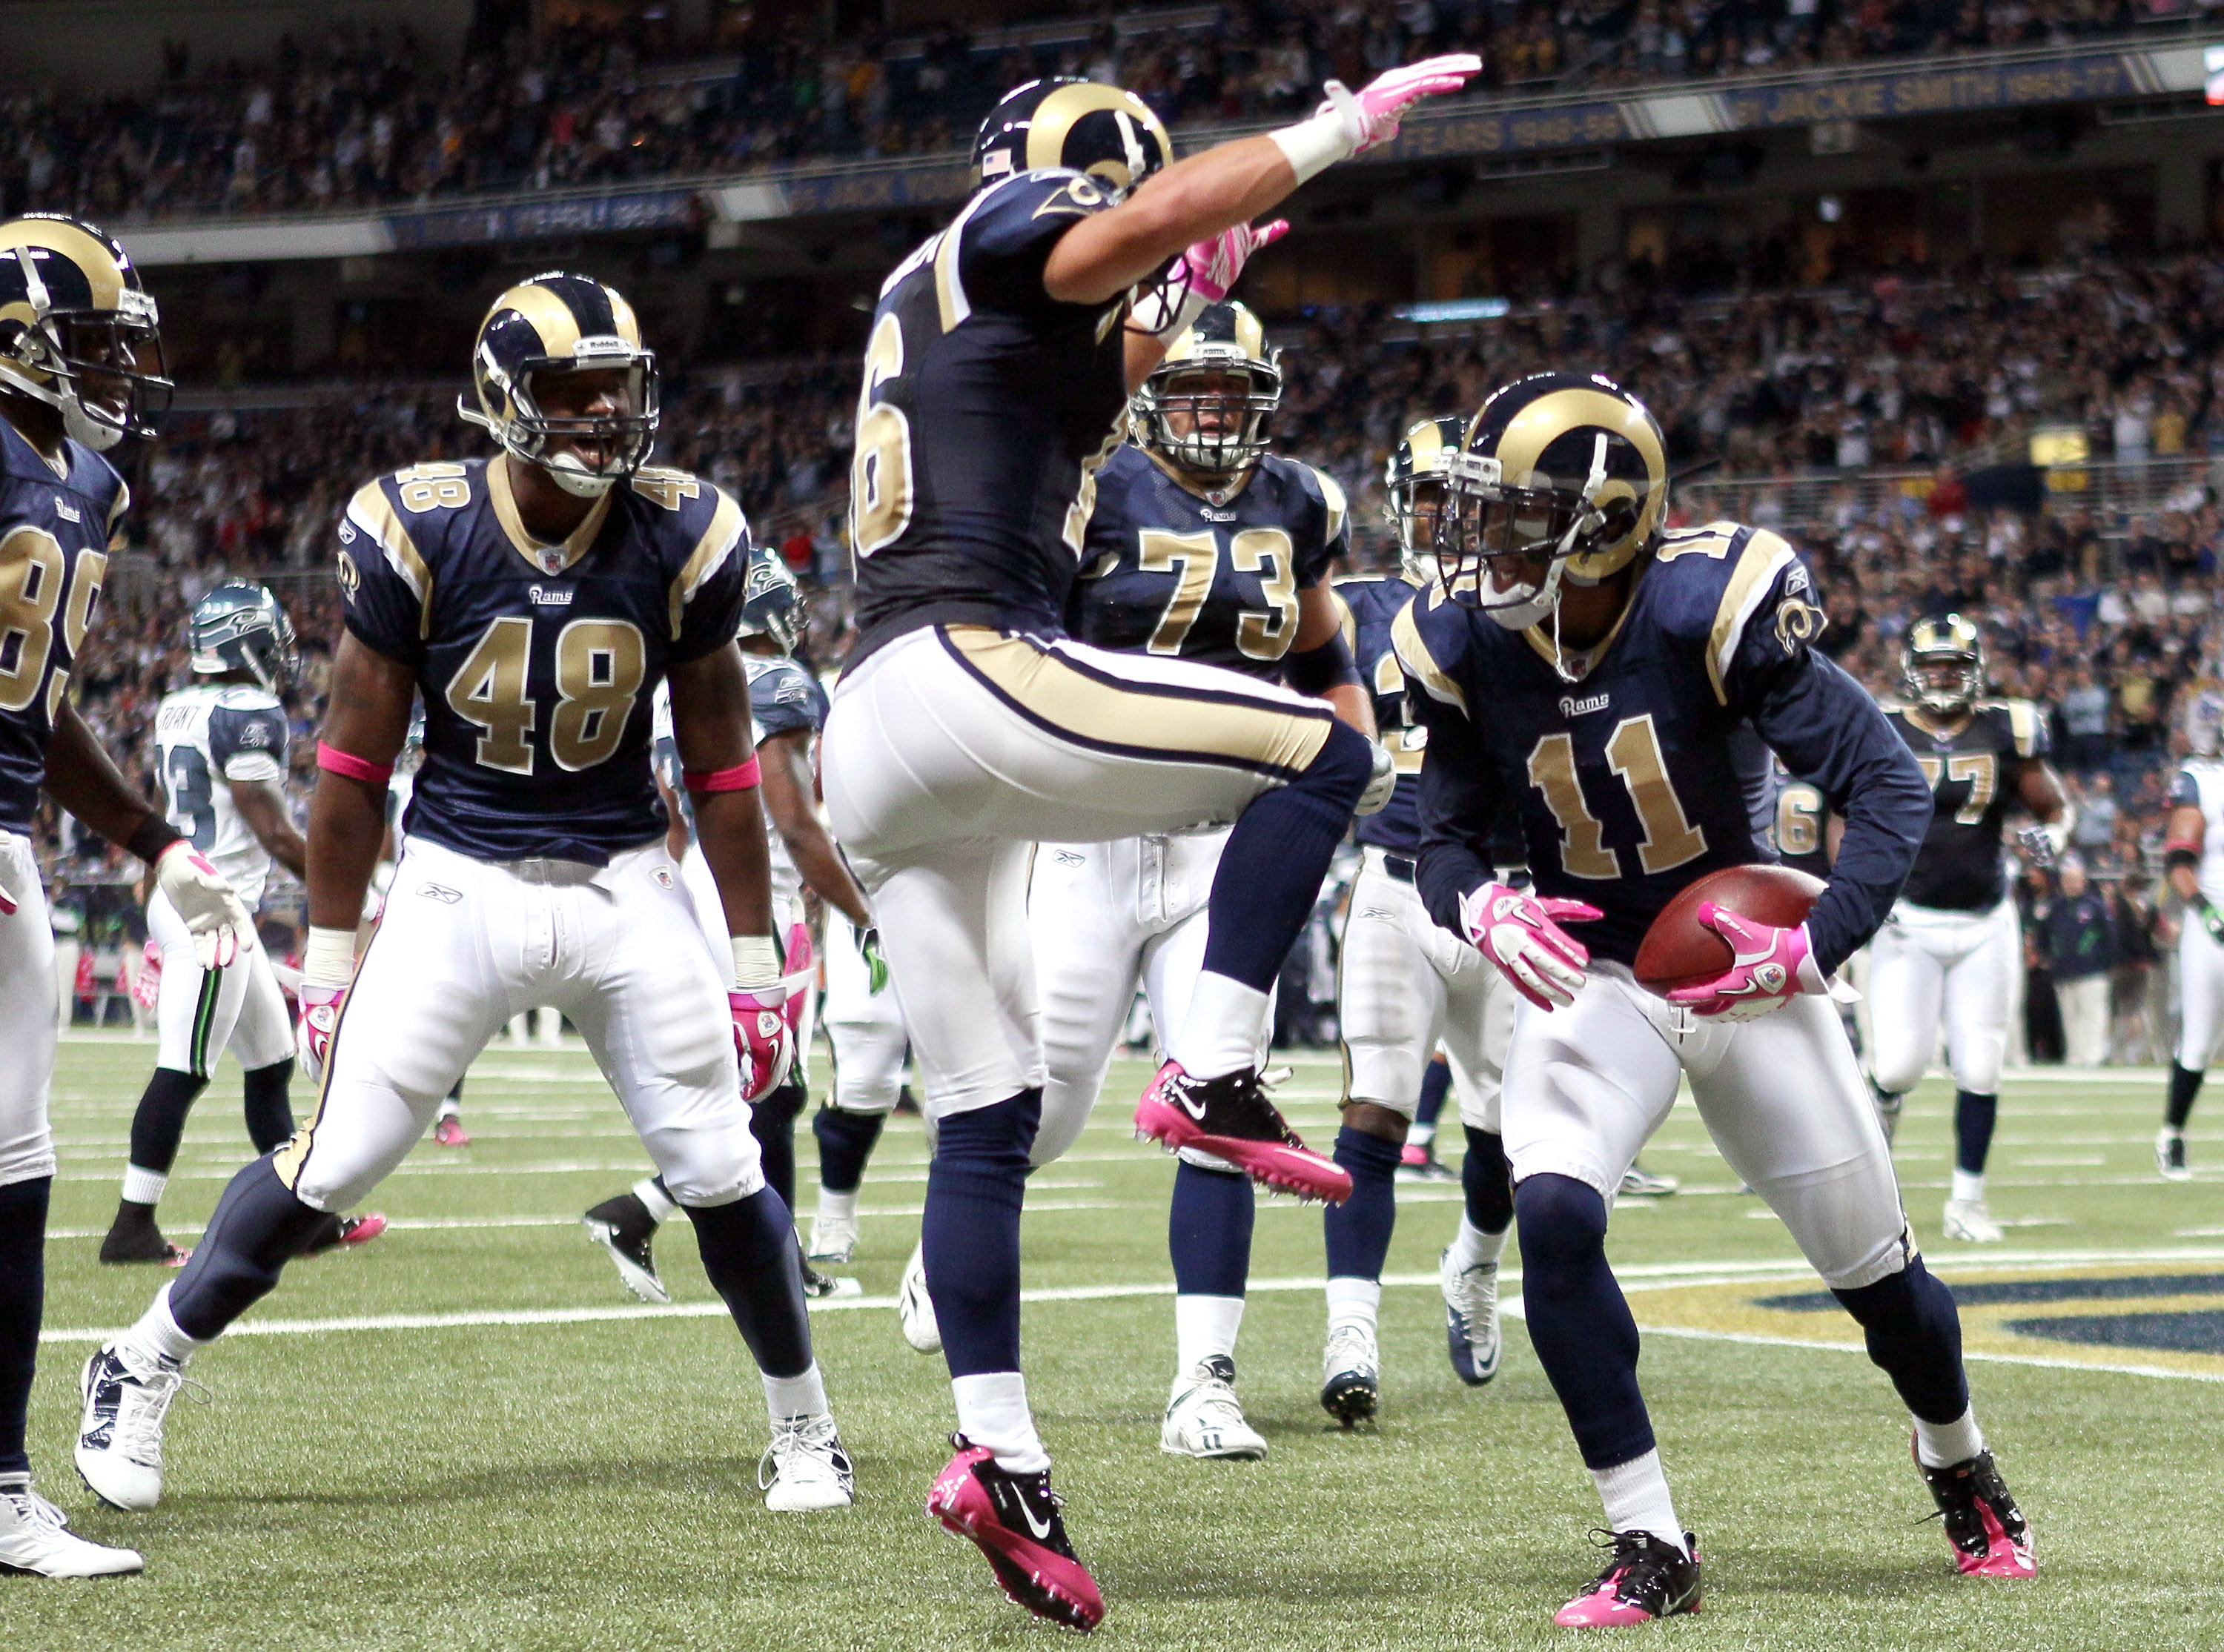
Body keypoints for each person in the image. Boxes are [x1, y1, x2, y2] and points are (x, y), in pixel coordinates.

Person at [818, 63, 1480, 1629]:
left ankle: (999, 1455)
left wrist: (1193, 287)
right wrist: (1327, 140)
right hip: (965, 667)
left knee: (986, 1118)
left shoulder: (967, 315)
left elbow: (1100, 366)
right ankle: (1213, 1063)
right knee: (1326, 745)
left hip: (886, 741)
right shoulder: (1003, 232)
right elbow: (1151, 220)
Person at [74, 271, 853, 1520]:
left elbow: (717, 765)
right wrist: (328, 960)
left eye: (620, 387)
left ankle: (807, 1426)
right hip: (456, 881)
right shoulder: (418, 523)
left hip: (620, 884)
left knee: (719, 1159)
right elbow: (350, 762)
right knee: (338, 1159)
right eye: (575, 391)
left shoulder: (690, 526)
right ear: (505, 400)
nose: (607, 413)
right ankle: (139, 1357)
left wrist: (754, 956)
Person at [1401, 371, 2034, 1625]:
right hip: (1595, 971)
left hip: (1738, 961)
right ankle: (1649, 1537)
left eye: (1515, 514)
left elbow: (1888, 785)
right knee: (1557, 1220)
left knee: (1880, 1281)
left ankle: (1957, 1455)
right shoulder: (1467, 640)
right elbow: (1443, 834)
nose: (1480, 542)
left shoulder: (1706, 605)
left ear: (1602, 520)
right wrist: (1478, 903)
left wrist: (1815, 947)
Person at [1037, 299, 1381, 1459]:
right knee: (1045, 1102)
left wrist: (1354, 744)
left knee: (1216, 1105)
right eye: (1195, 388)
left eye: (1234, 391)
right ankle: (950, 1246)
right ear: (1150, 394)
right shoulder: (1097, 489)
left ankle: (1204, 1383)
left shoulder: (1301, 501)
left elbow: (1327, 650)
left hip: (1227, 846)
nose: (1215, 411)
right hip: (1086, 835)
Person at [0, 212, 245, 1578]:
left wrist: (155, 840)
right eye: (87, 340)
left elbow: (39, 708)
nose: (112, 368)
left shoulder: (83, 481)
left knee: (15, 1180)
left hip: (12, 840)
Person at [580, 544, 875, 1302]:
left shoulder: (679, 689)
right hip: (754, 901)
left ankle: (769, 1257)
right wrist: (863, 913)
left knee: (767, 1088)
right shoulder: (773, 681)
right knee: (765, 1088)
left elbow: (672, 820)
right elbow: (797, 826)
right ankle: (655, 1215)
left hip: (701, 893)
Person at [102, 583, 386, 1265]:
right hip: (212, 912)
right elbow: (273, 829)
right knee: (184, 1068)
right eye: (270, 641)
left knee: (271, 1062)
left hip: (198, 896)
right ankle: (131, 1226)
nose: (281, 657)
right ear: (243, 643)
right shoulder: (249, 710)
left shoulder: (176, 704)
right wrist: (365, 894)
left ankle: (303, 1216)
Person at [1327, 414, 1518, 1414]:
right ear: (1405, 502)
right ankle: (1350, 1337)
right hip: (1396, 882)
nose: (1447, 513)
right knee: (1375, 1109)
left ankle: (1476, 1266)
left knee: (1503, 1133)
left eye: (1464, 495)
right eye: (1432, 494)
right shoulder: (1357, 608)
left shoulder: (1537, 607)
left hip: (1509, 896)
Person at [1866, 614, 2069, 1244]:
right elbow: (1849, 812)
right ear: (1912, 672)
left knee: (1981, 1065)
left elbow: (2054, 808)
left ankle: (1967, 1201)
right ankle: (1872, 1184)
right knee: (1898, 1065)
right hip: (1909, 918)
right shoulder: (1887, 726)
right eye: (1934, 667)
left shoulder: (2007, 728)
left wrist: (2054, 838)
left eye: (1955, 666)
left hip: (1986, 919)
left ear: (1975, 670)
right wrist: (1864, 887)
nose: (1944, 677)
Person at [2160, 700, 2224, 1176]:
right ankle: (2172, 1134)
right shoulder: (2203, 780)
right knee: (2199, 1042)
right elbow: (2178, 861)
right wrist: (2207, 911)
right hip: (2214, 922)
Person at [2044, 853, 2114, 1068]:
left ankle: (2093, 1055)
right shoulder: (2056, 908)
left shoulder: (2095, 906)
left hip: (2092, 970)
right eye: (2068, 881)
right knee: (2070, 1016)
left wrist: (2105, 963)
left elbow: (2109, 936)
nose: (2072, 885)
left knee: (2092, 1015)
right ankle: (2074, 1056)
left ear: (2083, 882)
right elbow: (2044, 936)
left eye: (2075, 881)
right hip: (2064, 971)